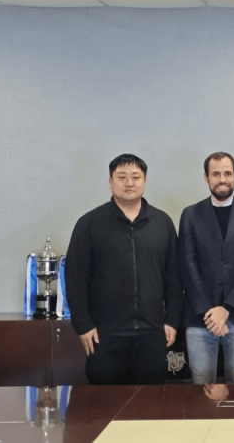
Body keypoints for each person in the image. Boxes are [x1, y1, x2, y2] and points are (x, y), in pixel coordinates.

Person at [66, 154, 182, 385]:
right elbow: (75, 278)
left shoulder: (162, 223)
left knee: (149, 401)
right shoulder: (89, 223)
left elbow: (174, 277)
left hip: (152, 333)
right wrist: (83, 325)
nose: (129, 183)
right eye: (122, 177)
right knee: (104, 402)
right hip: (104, 334)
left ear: (144, 181)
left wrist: (172, 320)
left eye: (135, 177)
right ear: (110, 182)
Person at [178, 152, 234, 384]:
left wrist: (226, 309)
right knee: (201, 383)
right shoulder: (190, 214)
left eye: (227, 173)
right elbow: (187, 264)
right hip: (200, 316)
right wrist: (211, 311)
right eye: (216, 174)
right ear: (206, 178)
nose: (222, 179)